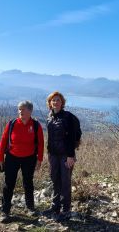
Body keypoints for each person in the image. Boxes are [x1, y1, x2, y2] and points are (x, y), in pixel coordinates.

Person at [0, 100, 44, 222]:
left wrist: (39, 160)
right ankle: (5, 211)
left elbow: (40, 143)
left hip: (29, 158)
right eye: (19, 109)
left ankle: (30, 207)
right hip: (12, 157)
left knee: (28, 183)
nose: (20, 111)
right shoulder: (12, 123)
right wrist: (0, 159)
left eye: (23, 109)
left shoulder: (35, 125)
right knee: (8, 184)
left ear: (30, 111)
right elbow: (3, 141)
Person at [43, 91, 76, 221]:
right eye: (53, 100)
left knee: (65, 182)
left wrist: (70, 156)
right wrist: (48, 153)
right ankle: (55, 207)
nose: (55, 102)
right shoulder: (49, 117)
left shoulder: (68, 117)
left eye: (58, 100)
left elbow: (72, 137)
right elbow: (50, 138)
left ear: (62, 103)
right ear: (50, 103)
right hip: (53, 154)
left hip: (65, 155)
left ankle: (65, 210)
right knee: (54, 180)